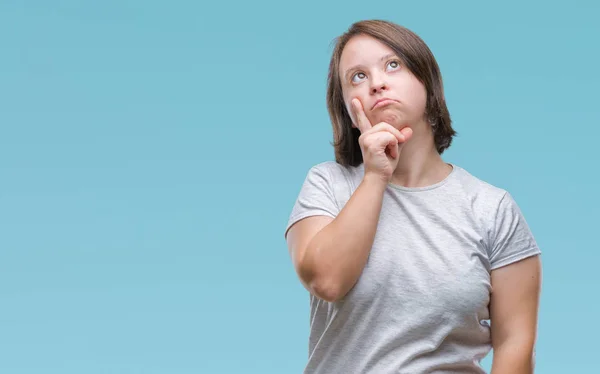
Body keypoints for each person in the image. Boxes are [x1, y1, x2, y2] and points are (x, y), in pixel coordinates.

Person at [284, 19, 542, 374]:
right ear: (345, 105)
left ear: (427, 81)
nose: (377, 83)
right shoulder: (328, 184)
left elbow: (516, 344)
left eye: (393, 64)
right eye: (357, 76)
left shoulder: (492, 208)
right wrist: (376, 176)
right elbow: (327, 280)